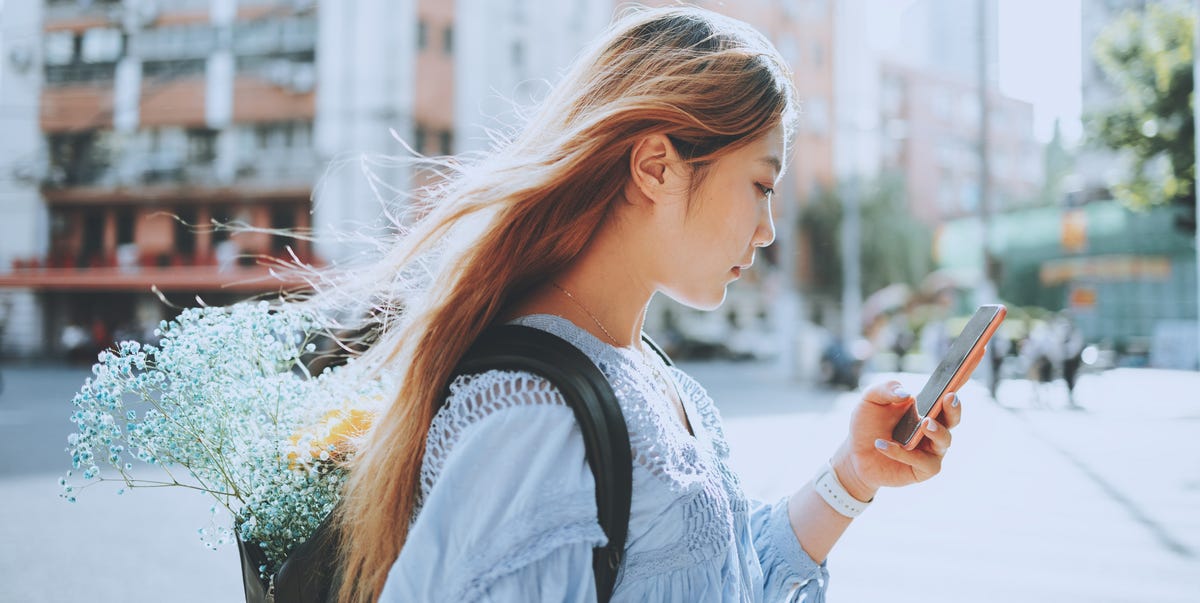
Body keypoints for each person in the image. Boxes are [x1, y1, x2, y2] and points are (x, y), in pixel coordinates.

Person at [324, 7, 965, 602]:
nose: (768, 229)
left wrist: (854, 475)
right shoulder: (532, 416)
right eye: (761, 185)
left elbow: (729, 578)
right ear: (658, 167)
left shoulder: (649, 372)